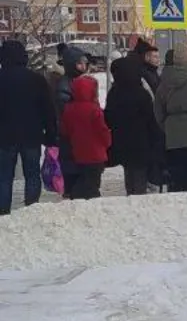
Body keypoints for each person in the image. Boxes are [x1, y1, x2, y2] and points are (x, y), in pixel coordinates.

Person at [0, 40, 58, 214]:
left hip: (3, 137)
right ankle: (31, 210)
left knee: (4, 177)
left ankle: (3, 212)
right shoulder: (36, 80)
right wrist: (51, 134)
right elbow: (48, 109)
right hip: (32, 136)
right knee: (32, 175)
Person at [105, 56, 165, 196]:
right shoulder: (141, 94)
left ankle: (130, 196)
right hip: (141, 143)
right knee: (139, 176)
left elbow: (109, 117)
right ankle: (138, 200)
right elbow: (151, 119)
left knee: (129, 172)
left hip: (122, 142)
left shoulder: (114, 93)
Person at [154, 43, 187, 192]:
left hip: (173, 140)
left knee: (177, 183)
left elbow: (158, 113)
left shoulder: (163, 85)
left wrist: (169, 129)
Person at [60, 77, 111, 200]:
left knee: (82, 182)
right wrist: (107, 142)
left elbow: (65, 130)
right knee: (93, 185)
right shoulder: (94, 109)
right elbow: (102, 130)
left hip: (78, 152)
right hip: (95, 154)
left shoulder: (69, 109)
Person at [53, 46, 90, 197]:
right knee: (72, 172)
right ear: (71, 64)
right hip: (70, 137)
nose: (84, 67)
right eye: (80, 63)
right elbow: (68, 113)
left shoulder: (79, 81)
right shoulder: (65, 85)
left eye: (85, 63)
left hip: (80, 137)